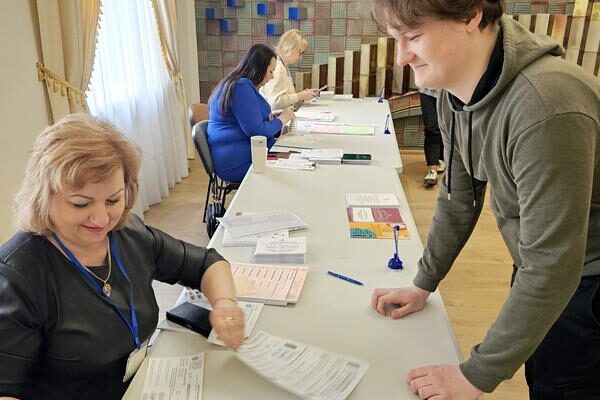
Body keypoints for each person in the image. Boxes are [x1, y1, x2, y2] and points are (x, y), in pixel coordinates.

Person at [370, 1, 600, 399]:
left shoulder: (546, 104)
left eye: (414, 36)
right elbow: (458, 199)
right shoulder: (454, 94)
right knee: (541, 372)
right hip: (545, 267)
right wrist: (423, 283)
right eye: (396, 39)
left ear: (470, 16)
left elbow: (553, 265)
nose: (403, 56)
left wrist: (475, 375)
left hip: (585, 280)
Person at [0, 114, 245, 400]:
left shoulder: (128, 234)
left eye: (113, 200)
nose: (102, 218)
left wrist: (225, 304)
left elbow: (207, 264)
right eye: (81, 203)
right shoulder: (16, 278)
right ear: (43, 196)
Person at [208, 44, 294, 183]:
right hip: (238, 162)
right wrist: (283, 119)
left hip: (247, 153)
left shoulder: (239, 84)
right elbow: (257, 131)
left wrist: (273, 119)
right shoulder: (241, 87)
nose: (272, 78)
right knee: (294, 171)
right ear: (259, 68)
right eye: (271, 72)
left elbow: (252, 120)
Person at [260, 29, 318, 110]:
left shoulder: (284, 66)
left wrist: (303, 95)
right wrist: (299, 96)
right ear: (289, 48)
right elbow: (275, 103)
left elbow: (285, 97)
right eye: (300, 52)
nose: (301, 57)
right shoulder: (278, 68)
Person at [418, 88, 445, 186]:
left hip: (451, 91)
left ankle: (441, 159)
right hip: (428, 90)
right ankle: (432, 169)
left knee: (447, 128)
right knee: (431, 127)